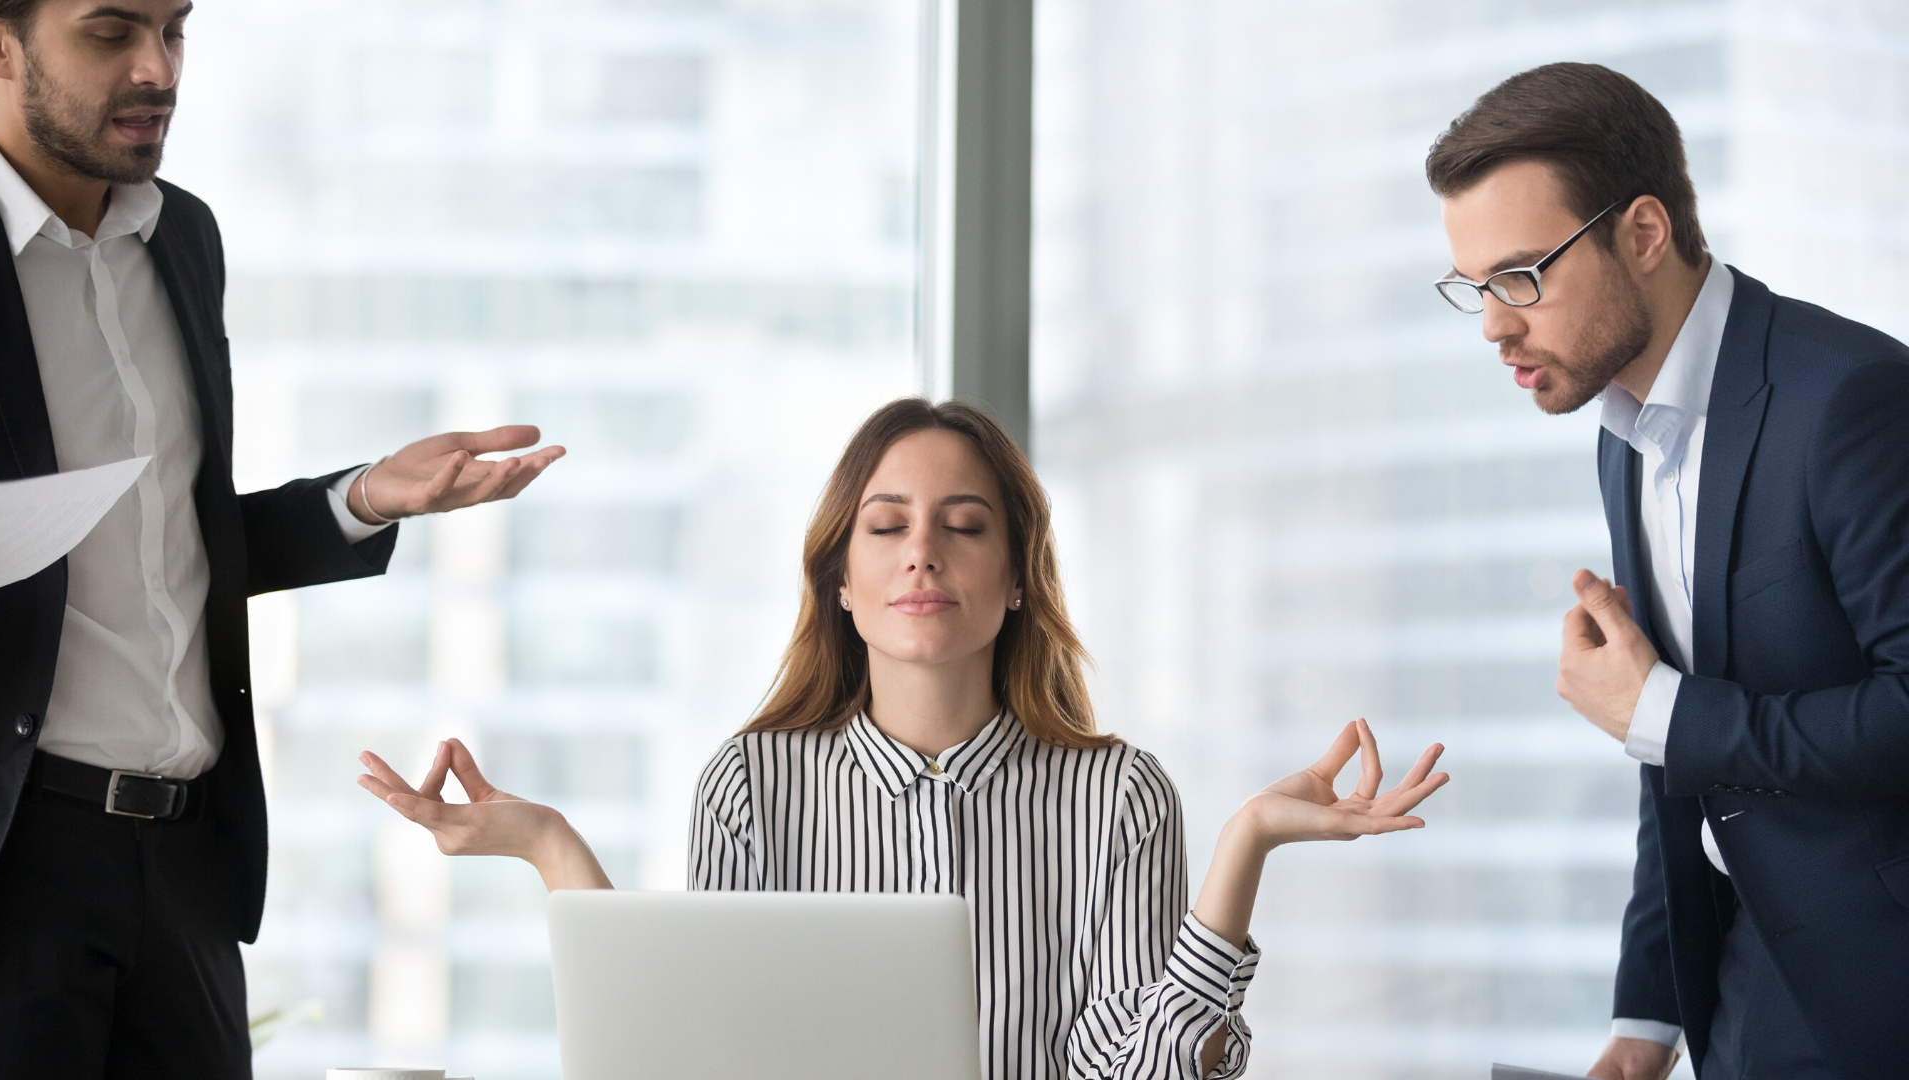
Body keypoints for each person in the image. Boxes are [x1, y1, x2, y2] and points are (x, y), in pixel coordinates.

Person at [360, 397, 1449, 1080]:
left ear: (1016, 580)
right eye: (887, 527)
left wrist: (1246, 843)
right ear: (844, 578)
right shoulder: (752, 785)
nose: (922, 552)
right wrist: (550, 844)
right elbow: (703, 1053)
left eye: (964, 526)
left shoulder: (1118, 797)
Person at [0, 2, 565, 1076]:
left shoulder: (181, 238)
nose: (157, 68)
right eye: (111, 33)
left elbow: (173, 544)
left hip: (187, 865)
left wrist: (363, 499)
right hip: (16, 861)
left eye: (175, 29)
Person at [1426, 62, 1909, 1080]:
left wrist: (1663, 712)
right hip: (1735, 997)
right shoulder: (1622, 432)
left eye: (1522, 276)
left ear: (1642, 234)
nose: (1494, 325)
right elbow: (1676, 765)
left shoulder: (1853, 402)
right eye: (1474, 288)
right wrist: (1646, 1023)